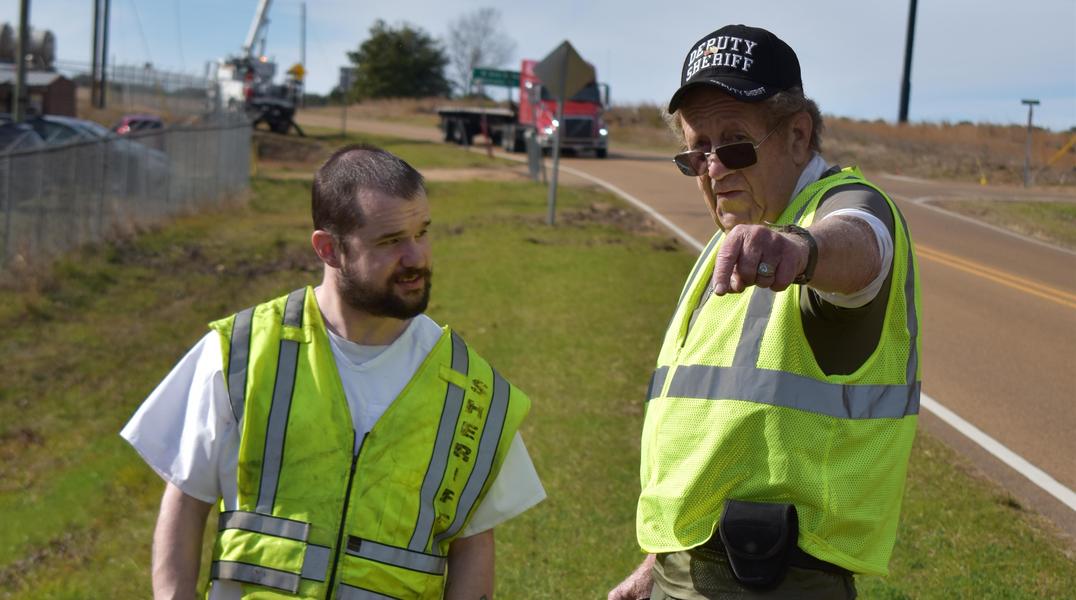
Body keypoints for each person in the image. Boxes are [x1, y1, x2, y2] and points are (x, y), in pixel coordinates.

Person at [122, 144, 545, 599]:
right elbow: (186, 500)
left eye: (422, 233)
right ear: (329, 249)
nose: (416, 257)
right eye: (390, 241)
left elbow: (473, 543)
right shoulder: (242, 353)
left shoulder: (471, 389)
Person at [609, 25, 921, 600]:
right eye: (696, 151)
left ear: (798, 135)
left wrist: (801, 250)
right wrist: (659, 566)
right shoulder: (725, 240)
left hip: (772, 577)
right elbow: (723, 429)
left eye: (734, 144)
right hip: (694, 569)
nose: (713, 168)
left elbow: (864, 242)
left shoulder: (835, 206)